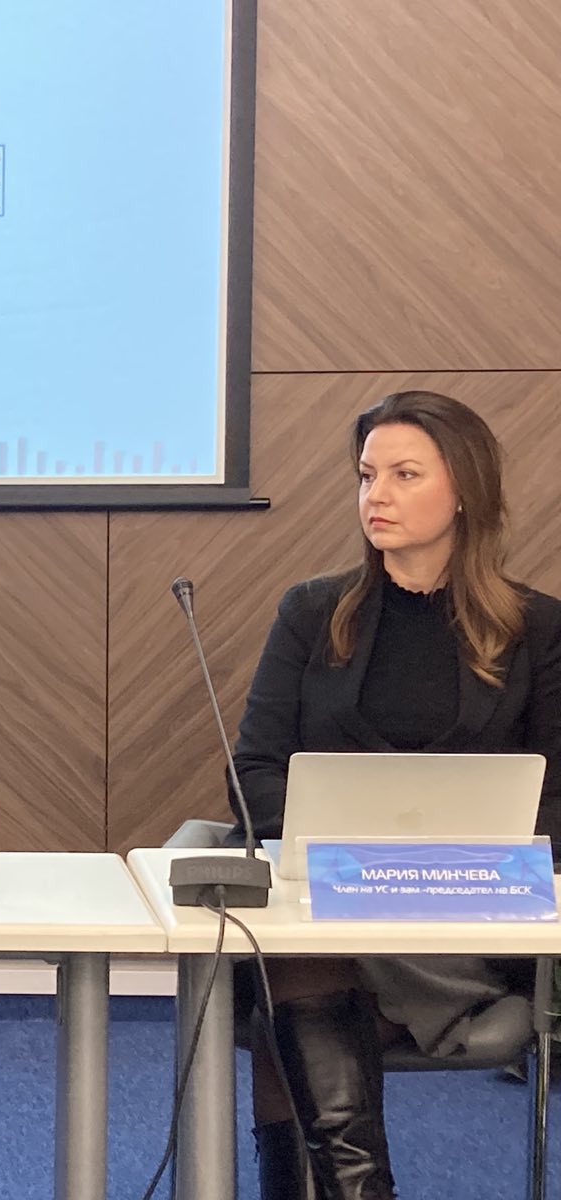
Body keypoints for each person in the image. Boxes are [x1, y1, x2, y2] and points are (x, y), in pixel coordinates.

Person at [231, 391, 561, 1200]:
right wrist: (342, 858)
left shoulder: (540, 629)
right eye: (366, 474)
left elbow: (556, 797)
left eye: (404, 474)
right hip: (327, 904)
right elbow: (255, 772)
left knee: (287, 1007)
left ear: (465, 491)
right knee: (291, 967)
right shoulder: (313, 613)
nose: (375, 495)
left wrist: (451, 867)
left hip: (469, 915)